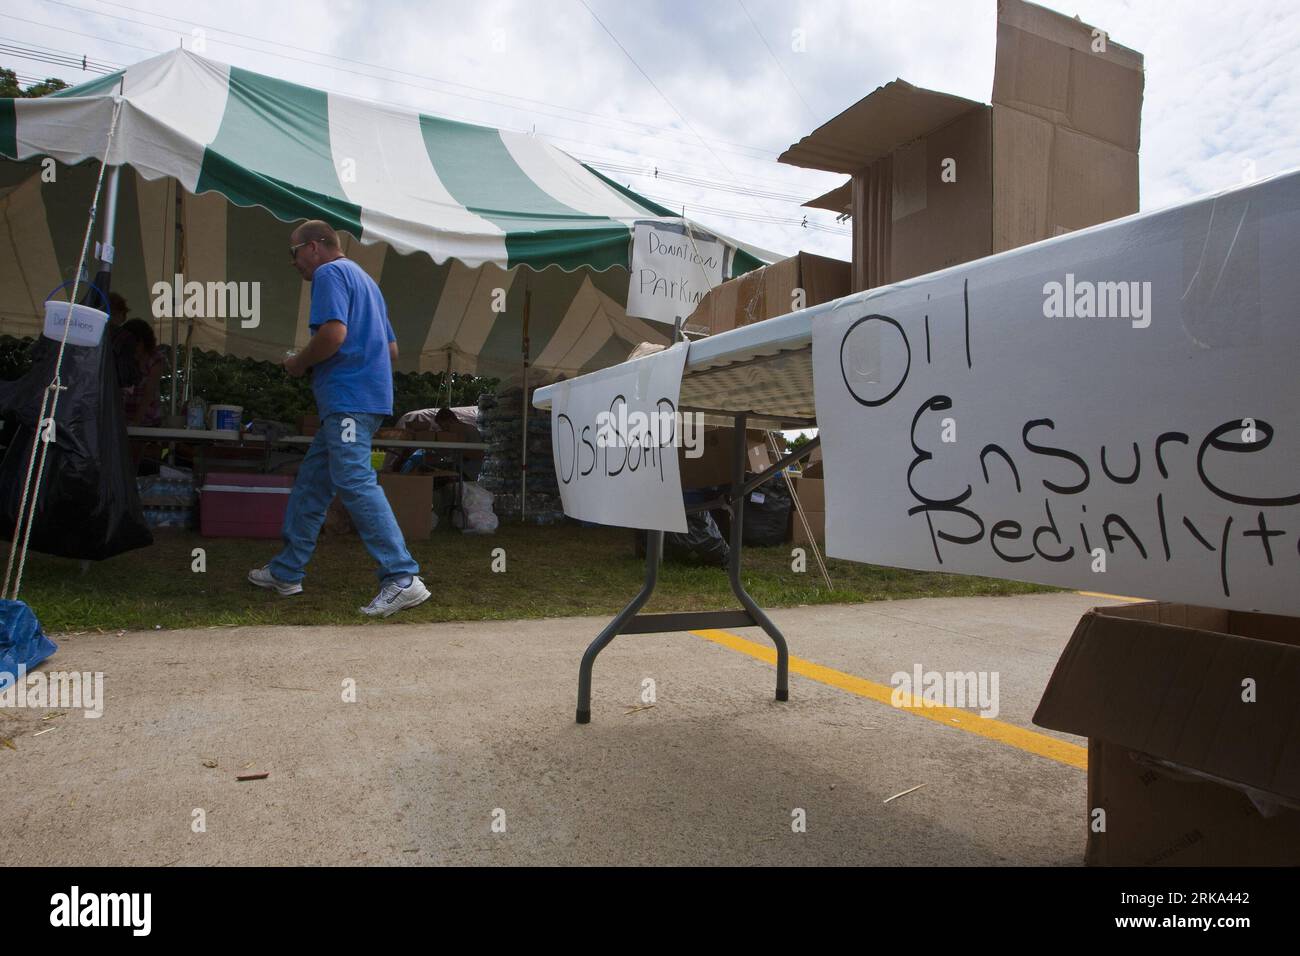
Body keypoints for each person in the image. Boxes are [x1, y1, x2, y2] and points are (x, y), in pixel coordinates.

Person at [248, 220, 430, 617]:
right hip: (363, 398)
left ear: (313, 247)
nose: (294, 263)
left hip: (348, 399)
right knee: (314, 483)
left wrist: (298, 363)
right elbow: (392, 350)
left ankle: (401, 577)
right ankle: (286, 570)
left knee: (354, 480)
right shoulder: (367, 282)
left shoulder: (330, 273)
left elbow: (332, 335)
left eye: (294, 253)